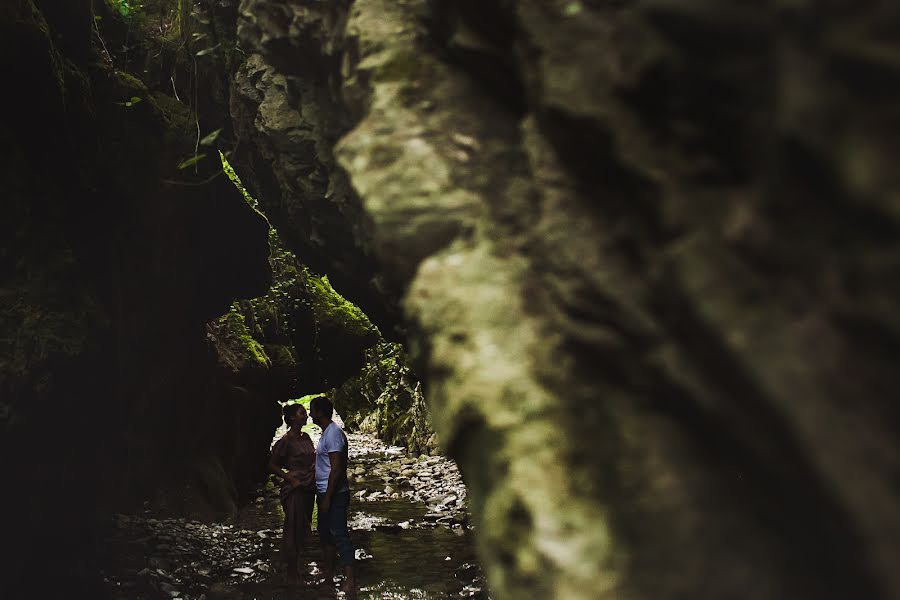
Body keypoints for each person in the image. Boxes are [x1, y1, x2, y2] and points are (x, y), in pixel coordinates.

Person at [310, 395, 355, 592]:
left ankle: (350, 581)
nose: (310, 414)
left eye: (312, 410)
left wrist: (327, 497)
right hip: (324, 492)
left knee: (339, 534)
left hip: (334, 494)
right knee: (326, 534)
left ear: (320, 412)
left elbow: (336, 469)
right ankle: (329, 573)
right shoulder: (327, 432)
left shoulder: (334, 434)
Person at [269, 403, 316, 584]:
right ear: (292, 418)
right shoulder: (285, 442)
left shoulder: (306, 437)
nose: (306, 415)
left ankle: (297, 568)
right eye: (302, 413)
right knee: (293, 528)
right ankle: (291, 572)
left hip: (309, 487)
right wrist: (290, 478)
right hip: (294, 489)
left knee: (304, 526)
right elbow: (272, 465)